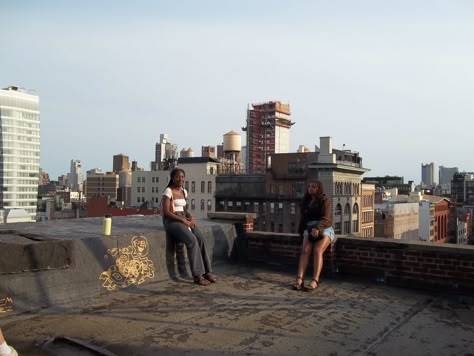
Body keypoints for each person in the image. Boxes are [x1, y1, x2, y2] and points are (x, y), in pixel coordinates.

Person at [162, 168, 217, 286]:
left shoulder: (184, 191)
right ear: (173, 178)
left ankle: (208, 271)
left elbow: (184, 210)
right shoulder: (168, 191)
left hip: (183, 219)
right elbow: (166, 212)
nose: (181, 179)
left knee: (200, 238)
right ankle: (197, 275)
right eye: (178, 177)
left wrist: (189, 217)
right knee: (192, 241)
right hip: (171, 221)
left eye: (182, 177)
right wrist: (183, 220)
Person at [293, 179, 335, 292]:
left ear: (319, 189)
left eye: (314, 187)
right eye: (310, 186)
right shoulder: (305, 202)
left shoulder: (325, 201)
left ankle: (315, 280)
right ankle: (299, 279)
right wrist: (301, 233)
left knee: (317, 250)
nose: (311, 188)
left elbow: (326, 218)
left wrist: (317, 228)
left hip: (325, 228)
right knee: (305, 250)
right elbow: (303, 220)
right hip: (309, 228)